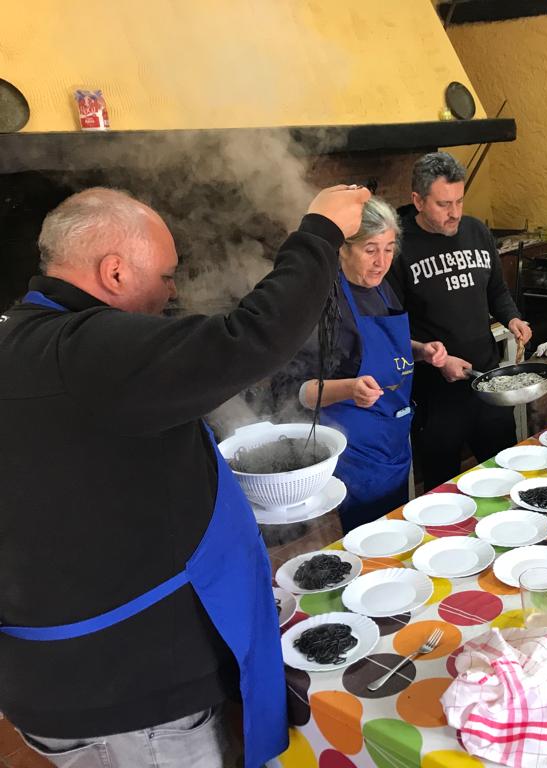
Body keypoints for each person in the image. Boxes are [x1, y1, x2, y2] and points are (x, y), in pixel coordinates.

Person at [0, 184, 369, 768]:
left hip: (73, 678)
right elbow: (251, 338)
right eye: (167, 276)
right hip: (129, 701)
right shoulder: (82, 351)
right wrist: (320, 231)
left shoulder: (24, 342)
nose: (172, 293)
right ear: (115, 272)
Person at [286, 197, 448, 531]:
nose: (382, 262)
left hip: (392, 441)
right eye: (371, 249)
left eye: (389, 249)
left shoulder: (381, 288)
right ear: (343, 248)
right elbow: (298, 392)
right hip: (352, 454)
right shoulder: (322, 301)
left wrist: (421, 350)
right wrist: (350, 389)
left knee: (395, 535)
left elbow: (387, 349)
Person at [388, 152, 532, 492]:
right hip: (435, 390)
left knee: (504, 471)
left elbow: (496, 289)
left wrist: (512, 317)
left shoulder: (476, 231)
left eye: (459, 201)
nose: (455, 213)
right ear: (418, 201)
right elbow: (392, 325)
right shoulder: (396, 246)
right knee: (443, 485)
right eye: (443, 204)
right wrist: (434, 358)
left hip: (487, 380)